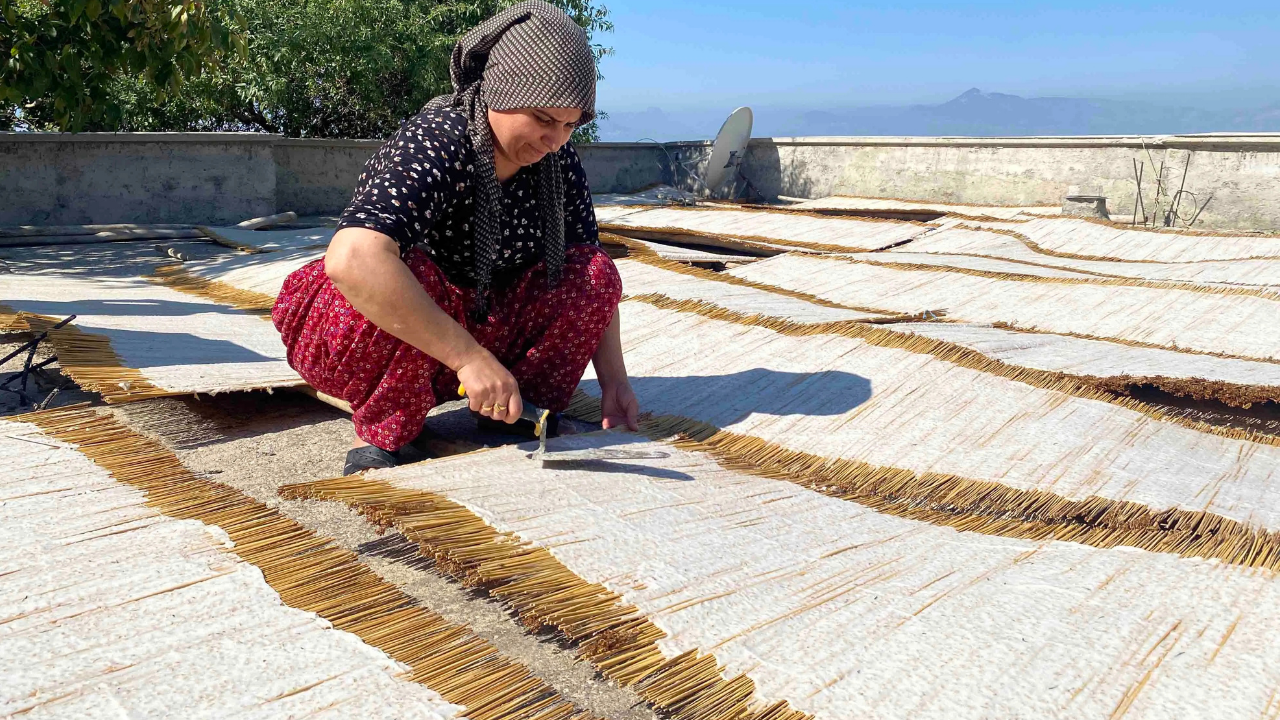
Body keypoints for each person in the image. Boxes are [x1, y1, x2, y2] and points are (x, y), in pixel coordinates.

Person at [271, 1, 638, 474]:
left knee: (592, 271)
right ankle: (390, 430)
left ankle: (514, 411)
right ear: (500, 93)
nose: (556, 140)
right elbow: (353, 260)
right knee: (406, 273)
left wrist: (614, 382)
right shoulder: (439, 140)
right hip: (385, 337)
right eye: (543, 120)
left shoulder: (557, 162)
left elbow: (588, 269)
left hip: (480, 327)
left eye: (570, 125)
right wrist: (468, 358)